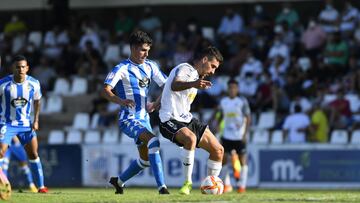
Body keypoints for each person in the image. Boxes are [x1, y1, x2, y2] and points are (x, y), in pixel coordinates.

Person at [102, 30, 169, 194]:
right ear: (132, 48)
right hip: (128, 119)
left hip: (144, 119)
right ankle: (162, 188)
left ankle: (118, 181)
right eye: (142, 50)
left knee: (145, 160)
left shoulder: (151, 66)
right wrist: (121, 101)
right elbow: (105, 90)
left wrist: (156, 103)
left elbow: (168, 86)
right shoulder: (122, 68)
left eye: (148, 50)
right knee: (154, 142)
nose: (146, 54)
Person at [158, 46, 224, 195]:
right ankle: (187, 183)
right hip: (169, 118)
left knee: (218, 150)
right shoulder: (186, 68)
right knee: (190, 138)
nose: (213, 71)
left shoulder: (195, 76)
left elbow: (167, 88)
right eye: (212, 66)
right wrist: (194, 84)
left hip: (186, 118)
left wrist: (156, 102)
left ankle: (210, 187)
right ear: (204, 59)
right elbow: (174, 85)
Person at [0, 55, 48, 193]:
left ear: (27, 68)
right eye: (17, 67)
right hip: (6, 124)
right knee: (1, 151)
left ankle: (41, 187)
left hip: (26, 125)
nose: (20, 69)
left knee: (33, 154)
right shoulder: (3, 84)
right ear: (13, 68)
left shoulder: (34, 83)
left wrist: (36, 120)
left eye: (23, 67)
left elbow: (37, 101)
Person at [216, 79, 251, 193]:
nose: (232, 90)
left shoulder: (242, 101)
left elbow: (248, 117)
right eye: (230, 88)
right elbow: (220, 115)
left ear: (237, 89)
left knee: (242, 161)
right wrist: (217, 127)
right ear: (227, 89)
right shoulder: (223, 101)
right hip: (226, 135)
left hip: (239, 136)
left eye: (234, 88)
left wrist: (245, 133)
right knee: (224, 160)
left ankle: (242, 185)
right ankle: (226, 185)